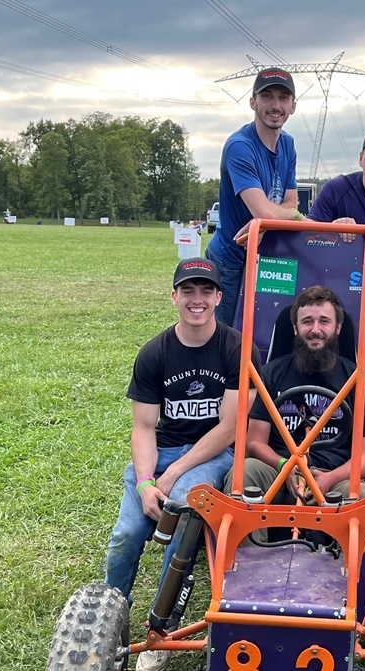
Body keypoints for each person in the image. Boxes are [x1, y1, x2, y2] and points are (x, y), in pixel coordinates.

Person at [103, 258, 254, 671]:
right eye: (188, 290)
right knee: (127, 533)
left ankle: (161, 629)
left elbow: (229, 430)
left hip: (211, 454)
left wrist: (172, 476)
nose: (197, 299)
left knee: (183, 516)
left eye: (206, 291)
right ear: (174, 297)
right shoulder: (154, 353)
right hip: (163, 452)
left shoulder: (236, 348)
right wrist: (147, 480)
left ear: (219, 298)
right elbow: (143, 427)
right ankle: (107, 616)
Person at [227, 286, 365, 541]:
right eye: (307, 322)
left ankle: (345, 574)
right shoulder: (271, 374)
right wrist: (285, 468)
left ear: (337, 328)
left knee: (363, 498)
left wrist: (330, 478)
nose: (315, 330)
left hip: (335, 478)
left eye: (324, 321)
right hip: (279, 474)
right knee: (245, 471)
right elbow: (254, 442)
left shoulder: (357, 380)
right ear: (294, 328)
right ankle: (247, 565)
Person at [207, 67, 303, 327]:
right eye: (267, 96)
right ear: (253, 102)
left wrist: (270, 220)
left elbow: (289, 203)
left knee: (261, 338)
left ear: (293, 106)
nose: (275, 105)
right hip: (230, 262)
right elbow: (272, 212)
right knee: (225, 341)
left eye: (284, 98)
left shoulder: (288, 144)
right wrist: (290, 217)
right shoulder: (240, 146)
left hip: (267, 259)